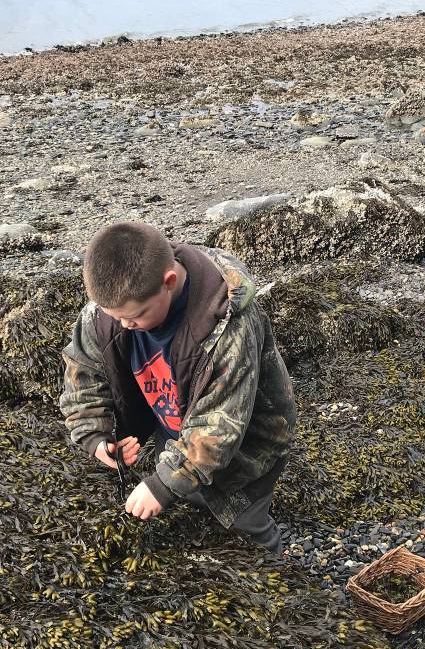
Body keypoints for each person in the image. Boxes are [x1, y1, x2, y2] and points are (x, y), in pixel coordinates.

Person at [58, 221, 296, 554]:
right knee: (190, 491)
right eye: (116, 317)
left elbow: (219, 426)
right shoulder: (110, 310)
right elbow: (83, 376)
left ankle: (274, 565)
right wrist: (96, 435)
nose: (125, 326)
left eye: (136, 316)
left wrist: (162, 485)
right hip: (174, 428)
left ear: (168, 282)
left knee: (243, 519)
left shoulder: (227, 326)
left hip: (247, 447)